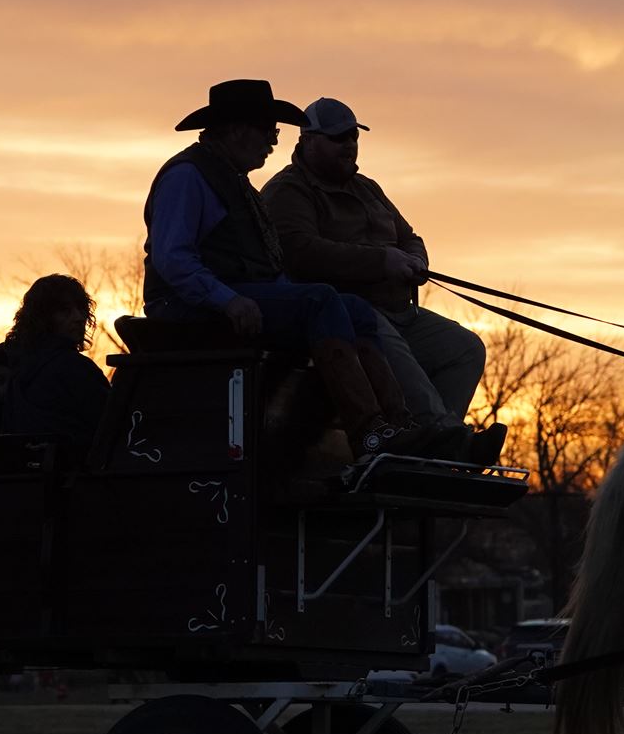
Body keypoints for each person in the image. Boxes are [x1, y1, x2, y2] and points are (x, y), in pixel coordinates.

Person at [142, 78, 447, 458]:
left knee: (352, 306)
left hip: (232, 296)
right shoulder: (187, 176)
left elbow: (262, 264)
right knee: (320, 299)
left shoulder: (237, 184)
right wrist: (227, 300)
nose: (274, 140)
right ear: (237, 130)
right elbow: (172, 258)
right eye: (267, 130)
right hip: (184, 307)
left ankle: (399, 424)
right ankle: (368, 432)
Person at [262, 97, 502, 462]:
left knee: (464, 348)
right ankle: (447, 439)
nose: (350, 145)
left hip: (401, 310)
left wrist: (416, 259)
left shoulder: (367, 188)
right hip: (350, 316)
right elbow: (301, 253)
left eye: (354, 137)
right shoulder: (288, 191)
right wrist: (381, 262)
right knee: (392, 349)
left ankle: (431, 453)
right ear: (308, 141)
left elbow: (408, 236)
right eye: (339, 138)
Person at [0, 275, 113, 449]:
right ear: (43, 318)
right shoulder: (75, 367)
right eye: (65, 311)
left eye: (81, 309)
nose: (78, 317)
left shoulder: (13, 363)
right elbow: (111, 426)